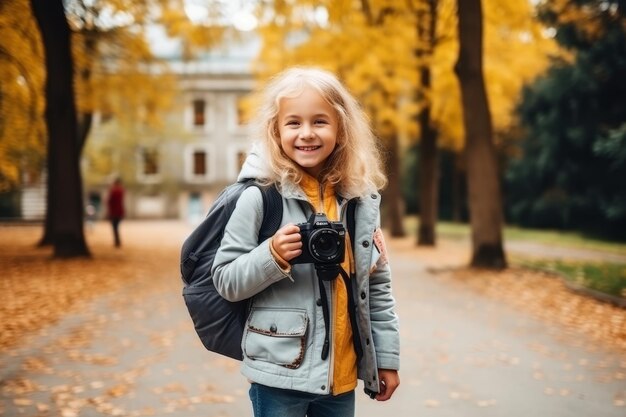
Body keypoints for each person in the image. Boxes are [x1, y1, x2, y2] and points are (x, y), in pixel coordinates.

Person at [211, 67, 400, 417]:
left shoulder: (358, 201)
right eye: (294, 123)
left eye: (320, 122)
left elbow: (376, 287)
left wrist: (385, 358)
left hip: (340, 378)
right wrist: (271, 256)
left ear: (341, 129)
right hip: (279, 375)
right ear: (275, 130)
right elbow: (225, 280)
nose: (307, 133)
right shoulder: (259, 198)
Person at [106, 177, 125, 247]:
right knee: (116, 227)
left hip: (114, 212)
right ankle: (117, 241)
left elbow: (109, 201)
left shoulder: (114, 191)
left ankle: (117, 241)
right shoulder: (122, 190)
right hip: (120, 211)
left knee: (115, 227)